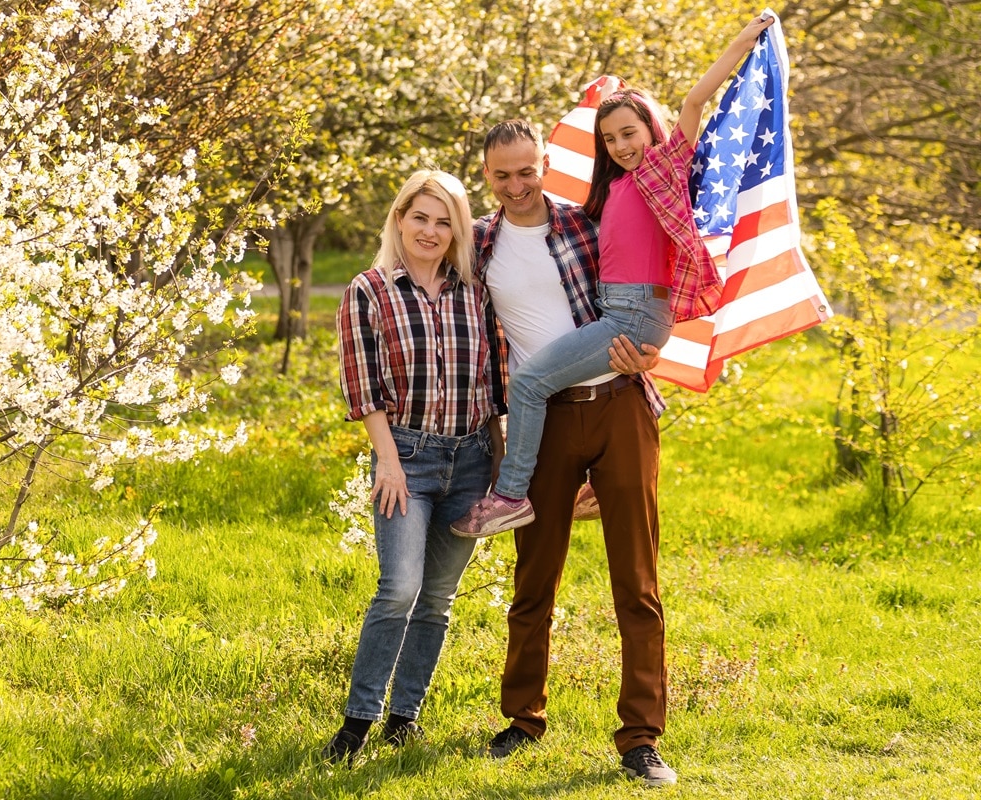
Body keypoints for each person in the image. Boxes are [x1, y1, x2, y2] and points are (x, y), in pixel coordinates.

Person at [463, 15, 776, 788]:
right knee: (533, 581)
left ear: (545, 166)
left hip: (621, 405)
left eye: (527, 170)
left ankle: (641, 738)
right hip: (547, 421)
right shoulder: (478, 242)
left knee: (636, 580)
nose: (516, 184)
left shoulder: (581, 222)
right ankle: (521, 720)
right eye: (500, 175)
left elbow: (644, 291)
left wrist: (649, 351)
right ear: (487, 179)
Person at [451, 14, 776, 540]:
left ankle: (510, 496)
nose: (623, 145)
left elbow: (695, 102)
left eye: (630, 132)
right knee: (540, 384)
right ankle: (593, 483)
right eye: (610, 139)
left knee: (530, 384)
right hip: (618, 310)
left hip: (637, 312)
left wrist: (745, 39)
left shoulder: (664, 169)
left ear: (653, 127)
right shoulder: (608, 195)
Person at [321, 169, 506, 766]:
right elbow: (362, 387)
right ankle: (356, 725)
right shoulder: (369, 290)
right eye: (419, 217)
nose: (430, 230)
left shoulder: (475, 293)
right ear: (399, 219)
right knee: (398, 588)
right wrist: (390, 463)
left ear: (458, 230)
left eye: (443, 220)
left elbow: (495, 383)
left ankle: (405, 719)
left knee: (437, 599)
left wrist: (501, 462)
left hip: (472, 459)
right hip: (406, 458)